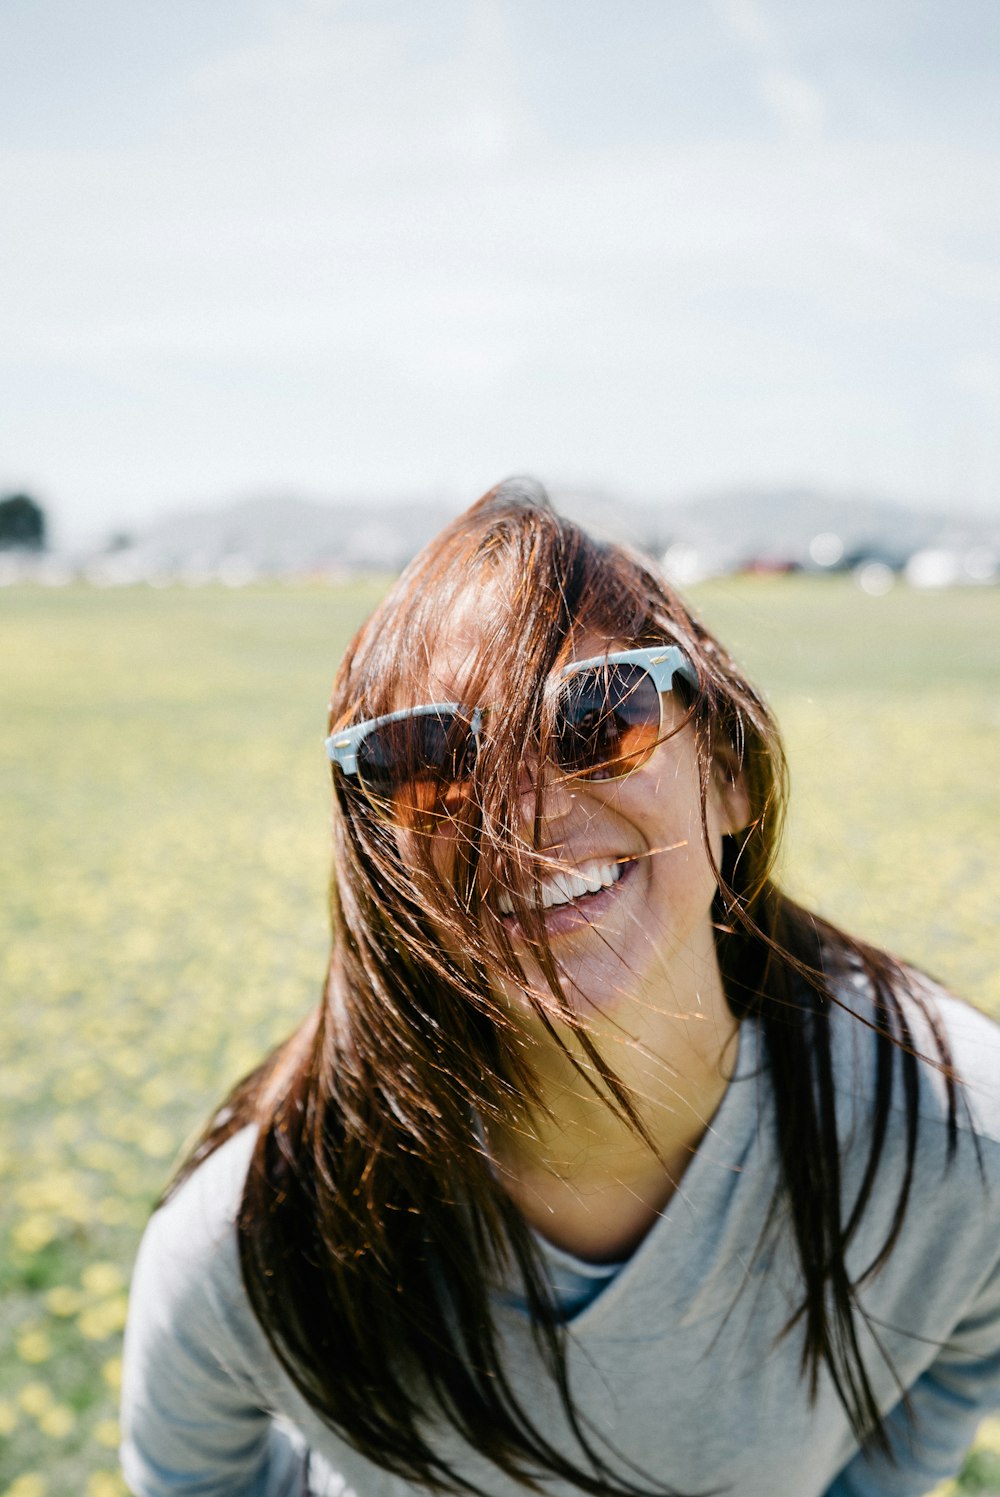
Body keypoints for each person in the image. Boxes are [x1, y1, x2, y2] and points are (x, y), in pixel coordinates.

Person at [121, 478, 1000, 1497]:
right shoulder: (265, 1234)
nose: (520, 816)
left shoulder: (960, 1142)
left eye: (596, 716)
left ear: (729, 776)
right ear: (382, 855)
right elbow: (188, 1477)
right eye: (428, 758)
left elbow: (962, 1359)